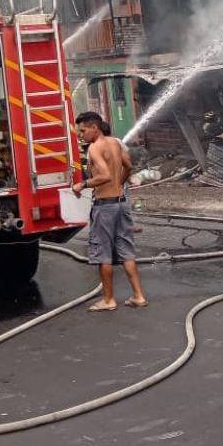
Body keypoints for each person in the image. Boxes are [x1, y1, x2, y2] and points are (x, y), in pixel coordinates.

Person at [71, 111, 148, 312]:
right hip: (121, 203)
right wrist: (119, 184)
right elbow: (128, 166)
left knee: (102, 253)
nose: (81, 135)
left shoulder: (95, 148)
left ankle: (108, 299)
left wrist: (83, 184)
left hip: (105, 206)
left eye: (83, 130)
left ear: (94, 128)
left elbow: (104, 175)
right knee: (126, 251)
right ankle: (138, 296)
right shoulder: (115, 143)